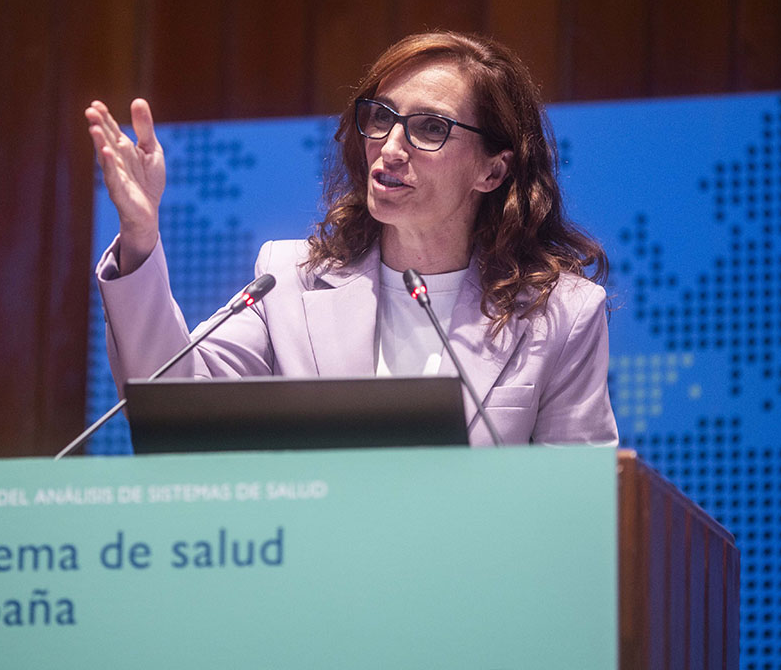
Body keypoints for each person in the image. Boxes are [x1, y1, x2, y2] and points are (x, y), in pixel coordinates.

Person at [88, 31, 617, 446]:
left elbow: (581, 505)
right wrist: (140, 236)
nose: (389, 148)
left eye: (430, 129)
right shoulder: (291, 283)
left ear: (493, 171)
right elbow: (174, 405)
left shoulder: (561, 317)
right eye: (381, 118)